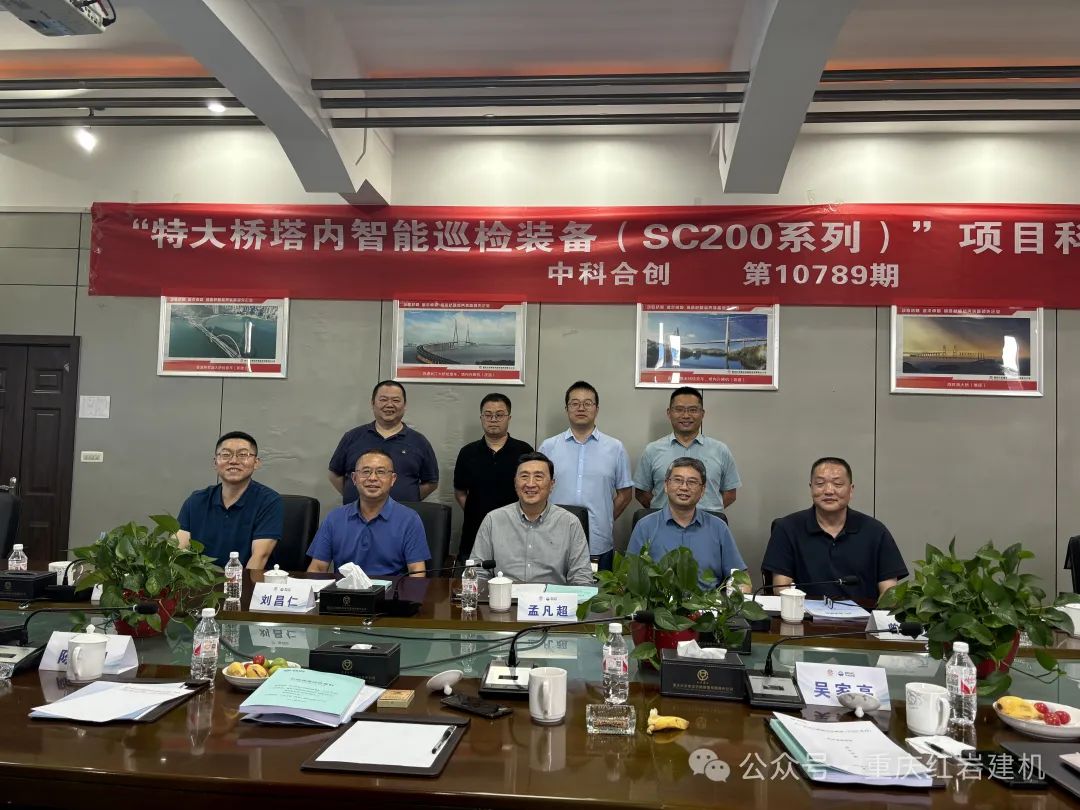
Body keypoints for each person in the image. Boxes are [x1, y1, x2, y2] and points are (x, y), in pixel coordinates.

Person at [762, 456, 908, 600]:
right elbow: (781, 589)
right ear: (811, 488)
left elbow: (890, 594)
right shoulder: (787, 528)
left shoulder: (875, 531)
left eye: (837, 484)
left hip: (863, 615)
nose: (829, 491)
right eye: (820, 484)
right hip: (803, 613)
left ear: (851, 490)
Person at [538, 381, 633, 572]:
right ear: (566, 409)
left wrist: (604, 518)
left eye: (587, 403)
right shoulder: (548, 447)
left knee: (597, 590)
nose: (581, 408)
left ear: (597, 409)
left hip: (598, 542)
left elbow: (625, 494)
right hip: (553, 539)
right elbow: (537, 491)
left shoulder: (615, 448)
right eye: (575, 403)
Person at [472, 452, 593, 586]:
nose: (530, 484)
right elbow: (478, 573)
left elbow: (582, 578)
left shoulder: (570, 523)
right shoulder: (493, 520)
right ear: (515, 483)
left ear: (552, 484)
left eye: (538, 477)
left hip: (552, 598)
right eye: (524, 476)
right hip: (504, 597)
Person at [627, 457, 748, 591]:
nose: (684, 487)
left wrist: (738, 593)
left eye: (692, 482)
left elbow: (741, 578)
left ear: (702, 490)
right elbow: (628, 576)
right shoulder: (644, 527)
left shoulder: (719, 528)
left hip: (707, 602)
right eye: (677, 480)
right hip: (658, 602)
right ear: (666, 485)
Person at [308, 449, 430, 577]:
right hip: (345, 589)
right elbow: (318, 568)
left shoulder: (409, 519)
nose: (372, 478)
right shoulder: (334, 518)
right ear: (354, 478)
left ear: (392, 479)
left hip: (392, 589)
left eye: (381, 472)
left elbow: (417, 571)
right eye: (366, 472)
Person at [177, 430, 282, 569]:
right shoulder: (196, 501)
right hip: (201, 580)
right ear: (215, 462)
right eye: (226, 455)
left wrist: (237, 583)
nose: (233, 461)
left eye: (243, 455)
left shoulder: (269, 501)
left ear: (256, 463)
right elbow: (178, 550)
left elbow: (259, 557)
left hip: (246, 580)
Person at [328, 380, 439, 506]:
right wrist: (356, 495)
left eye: (396, 400)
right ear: (373, 403)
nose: (389, 405)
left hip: (402, 515)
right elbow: (334, 475)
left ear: (405, 405)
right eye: (383, 399)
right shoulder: (352, 437)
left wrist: (408, 500)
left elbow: (431, 482)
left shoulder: (419, 442)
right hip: (357, 514)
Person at [453, 393, 533, 563]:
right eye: (488, 415)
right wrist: (477, 512)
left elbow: (531, 491)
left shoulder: (524, 451)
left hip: (516, 530)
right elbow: (460, 492)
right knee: (473, 577)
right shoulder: (467, 452)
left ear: (509, 418)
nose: (493, 419)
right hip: (475, 531)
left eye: (499, 415)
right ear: (481, 418)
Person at [634, 386, 740, 512]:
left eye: (693, 410)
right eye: (679, 410)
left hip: (708, 523)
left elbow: (730, 493)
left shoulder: (720, 450)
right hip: (664, 523)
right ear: (669, 413)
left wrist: (707, 516)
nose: (686, 415)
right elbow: (641, 493)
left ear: (702, 414)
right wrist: (666, 514)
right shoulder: (652, 450)